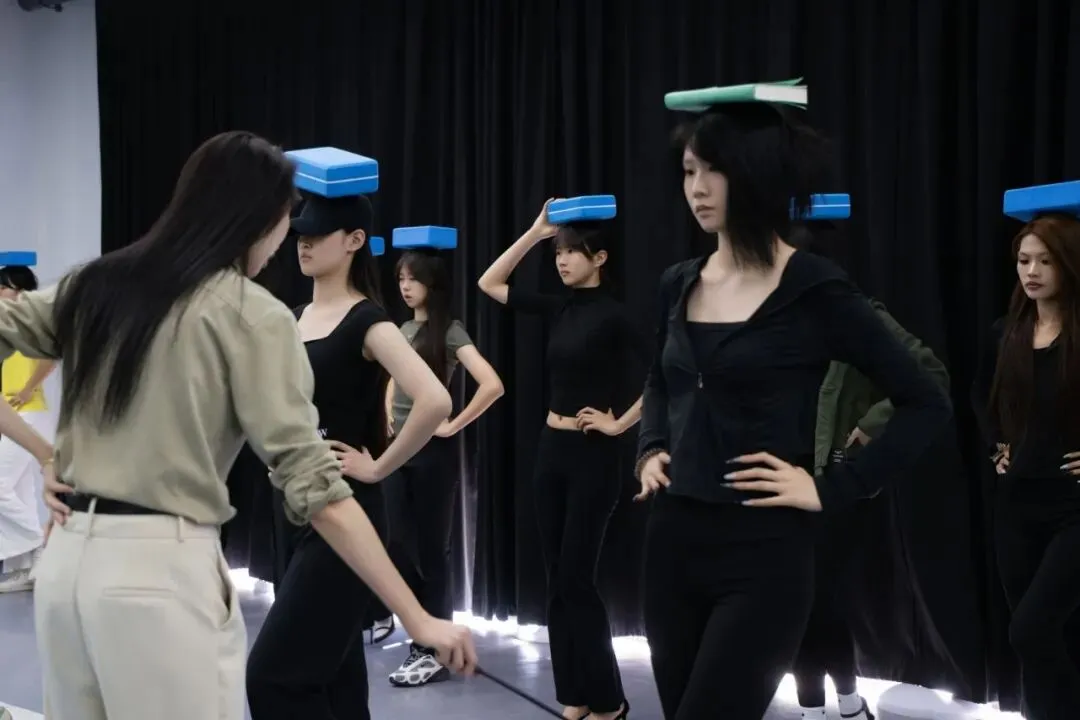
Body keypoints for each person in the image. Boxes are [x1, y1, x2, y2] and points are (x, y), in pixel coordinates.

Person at [7, 131, 476, 720]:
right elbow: (316, 486)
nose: (291, 241)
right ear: (262, 218)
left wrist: (49, 455)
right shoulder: (254, 315)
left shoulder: (96, 283)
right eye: (287, 222)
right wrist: (417, 617)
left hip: (66, 565)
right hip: (159, 569)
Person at [633, 102, 952, 720]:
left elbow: (925, 399)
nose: (697, 188)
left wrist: (834, 486)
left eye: (715, 170)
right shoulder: (678, 281)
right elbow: (660, 378)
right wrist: (650, 446)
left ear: (755, 174)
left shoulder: (815, 288)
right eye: (689, 170)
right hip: (671, 544)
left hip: (764, 553)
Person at [244, 193, 466, 718]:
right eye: (300, 234)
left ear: (354, 241)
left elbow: (435, 400)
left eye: (318, 235)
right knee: (336, 673)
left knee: (274, 675)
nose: (304, 244)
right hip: (292, 509)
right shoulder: (292, 318)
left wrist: (380, 465)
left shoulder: (368, 322)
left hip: (347, 511)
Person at [478, 206, 646, 720]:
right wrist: (535, 233)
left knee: (576, 579)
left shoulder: (615, 315)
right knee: (556, 579)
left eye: (573, 252)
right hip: (550, 451)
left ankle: (610, 701)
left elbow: (665, 372)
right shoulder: (559, 308)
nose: (562, 260)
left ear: (600, 258)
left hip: (595, 457)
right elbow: (489, 283)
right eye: (559, 253)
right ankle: (575, 695)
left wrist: (621, 424)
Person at [787, 223, 950, 720]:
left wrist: (869, 425)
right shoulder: (772, 324)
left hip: (834, 482)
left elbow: (930, 376)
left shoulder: (860, 316)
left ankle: (833, 706)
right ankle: (839, 705)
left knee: (815, 600)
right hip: (778, 478)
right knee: (799, 600)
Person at [364, 248, 504, 686]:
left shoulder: (450, 331)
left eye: (413, 279)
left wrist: (452, 424)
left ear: (432, 283)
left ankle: (431, 652)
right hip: (397, 451)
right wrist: (388, 410)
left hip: (433, 457)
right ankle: (408, 624)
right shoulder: (401, 329)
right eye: (401, 279)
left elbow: (492, 384)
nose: (405, 287)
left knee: (432, 553)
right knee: (394, 542)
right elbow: (392, 378)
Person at [972, 213, 1080, 720]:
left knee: (1032, 630)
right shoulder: (1006, 333)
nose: (1031, 271)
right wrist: (997, 445)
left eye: (1046, 261)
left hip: (1074, 510)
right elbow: (982, 397)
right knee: (1037, 638)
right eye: (1023, 260)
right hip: (1016, 506)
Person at [0, 264, 57, 592]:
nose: (1, 293)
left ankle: (38, 545)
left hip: (29, 412)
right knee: (19, 491)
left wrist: (27, 389)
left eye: (5, 288)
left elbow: (50, 356)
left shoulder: (29, 321)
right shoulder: (5, 323)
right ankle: (23, 569)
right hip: (11, 414)